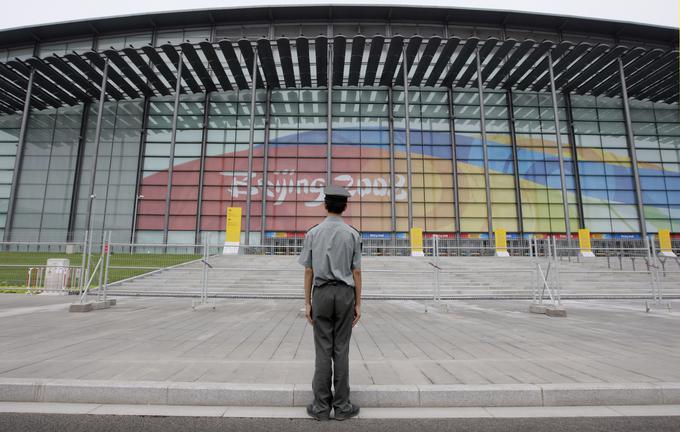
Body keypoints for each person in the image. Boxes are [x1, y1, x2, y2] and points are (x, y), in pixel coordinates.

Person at [298, 184, 362, 421]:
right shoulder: (353, 234)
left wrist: (307, 303)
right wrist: (358, 303)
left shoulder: (313, 233)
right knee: (341, 348)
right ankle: (343, 407)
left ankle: (321, 407)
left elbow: (308, 271)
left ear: (325, 205)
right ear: (345, 207)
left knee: (323, 349)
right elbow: (357, 272)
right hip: (345, 293)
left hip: (322, 294)